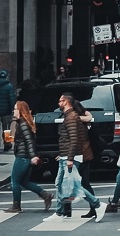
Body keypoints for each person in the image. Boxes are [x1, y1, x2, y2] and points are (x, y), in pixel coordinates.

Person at [43, 93, 107, 222]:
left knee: (74, 186)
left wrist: (70, 158)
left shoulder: (71, 117)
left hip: (71, 156)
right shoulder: (69, 116)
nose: (58, 103)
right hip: (66, 155)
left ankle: (98, 205)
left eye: (60, 101)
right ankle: (60, 212)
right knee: (60, 184)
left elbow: (74, 139)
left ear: (66, 102)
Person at [4, 101, 53, 213]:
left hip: (23, 157)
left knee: (15, 181)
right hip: (25, 156)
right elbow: (26, 140)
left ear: (20, 111)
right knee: (24, 182)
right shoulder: (23, 123)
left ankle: (16, 206)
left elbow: (29, 142)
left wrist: (32, 157)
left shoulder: (23, 124)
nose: (13, 111)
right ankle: (46, 195)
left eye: (15, 109)